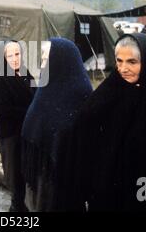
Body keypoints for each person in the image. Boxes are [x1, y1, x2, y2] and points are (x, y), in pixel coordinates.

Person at [62, 33, 146, 212]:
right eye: (119, 61)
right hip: (106, 190)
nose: (123, 68)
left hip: (143, 191)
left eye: (132, 62)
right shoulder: (110, 88)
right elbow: (84, 124)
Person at [21, 38, 93, 212]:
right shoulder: (46, 84)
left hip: (61, 176)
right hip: (40, 169)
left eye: (47, 59)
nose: (43, 63)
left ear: (61, 59)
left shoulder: (80, 91)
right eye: (42, 59)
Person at [0, 41, 36, 212]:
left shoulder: (24, 72)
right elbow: (0, 109)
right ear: (4, 57)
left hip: (26, 131)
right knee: (13, 172)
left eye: (17, 54)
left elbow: (35, 94)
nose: (15, 59)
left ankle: (23, 203)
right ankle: (16, 207)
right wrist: (29, 110)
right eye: (10, 55)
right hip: (9, 134)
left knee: (25, 169)